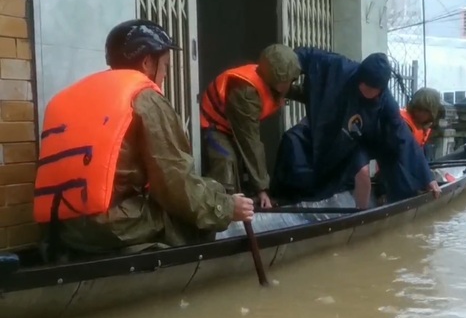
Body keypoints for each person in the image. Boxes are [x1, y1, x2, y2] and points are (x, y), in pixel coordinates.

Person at [33, 19, 254, 257]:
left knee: (199, 194)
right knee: (193, 214)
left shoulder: (68, 97)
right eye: (166, 66)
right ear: (147, 62)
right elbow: (175, 185)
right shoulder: (144, 98)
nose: (166, 75)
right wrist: (227, 207)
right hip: (111, 227)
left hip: (60, 231)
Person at [270, 48, 441, 209]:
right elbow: (301, 55)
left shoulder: (386, 103)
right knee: (291, 141)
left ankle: (361, 213)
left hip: (356, 141)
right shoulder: (340, 66)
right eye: (364, 85)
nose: (366, 91)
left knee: (362, 172)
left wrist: (427, 177)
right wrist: (282, 83)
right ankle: (277, 196)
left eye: (372, 89)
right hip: (325, 126)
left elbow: (404, 138)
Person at [201, 44, 301, 208]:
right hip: (212, 125)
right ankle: (223, 212)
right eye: (288, 81)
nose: (290, 84)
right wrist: (262, 189)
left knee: (246, 165)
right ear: (276, 81)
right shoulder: (245, 92)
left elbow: (292, 90)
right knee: (226, 164)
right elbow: (250, 142)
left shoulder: (271, 79)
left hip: (231, 125)